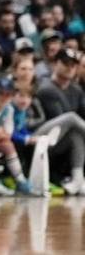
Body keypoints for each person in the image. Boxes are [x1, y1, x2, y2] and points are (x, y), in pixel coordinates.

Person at [33, 48, 85, 195]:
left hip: (62, 142)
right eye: (66, 63)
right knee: (70, 118)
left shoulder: (77, 90)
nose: (70, 68)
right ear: (55, 64)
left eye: (74, 65)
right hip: (39, 140)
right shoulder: (46, 88)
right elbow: (62, 120)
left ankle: (78, 179)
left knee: (77, 135)